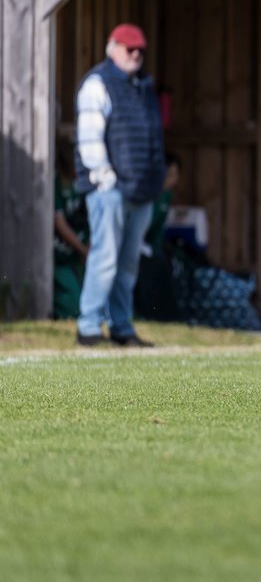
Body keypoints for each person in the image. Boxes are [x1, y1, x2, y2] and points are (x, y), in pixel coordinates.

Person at [74, 23, 166, 347]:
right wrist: (105, 180)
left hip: (140, 191)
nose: (136, 55)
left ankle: (121, 328)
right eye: (130, 49)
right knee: (105, 258)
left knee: (128, 264)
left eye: (140, 50)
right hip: (109, 191)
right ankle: (88, 327)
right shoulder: (97, 84)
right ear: (112, 48)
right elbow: (89, 139)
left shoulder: (142, 87)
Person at [134, 152, 183, 322]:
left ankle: (167, 317)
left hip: (152, 248)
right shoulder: (148, 195)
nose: (172, 180)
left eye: (174, 175)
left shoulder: (166, 196)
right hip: (137, 246)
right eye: (169, 175)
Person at [53, 136, 90, 319]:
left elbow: (90, 217)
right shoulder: (55, 183)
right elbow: (59, 223)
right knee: (71, 301)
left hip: (81, 252)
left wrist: (88, 246)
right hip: (61, 253)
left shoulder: (83, 184)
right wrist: (82, 249)